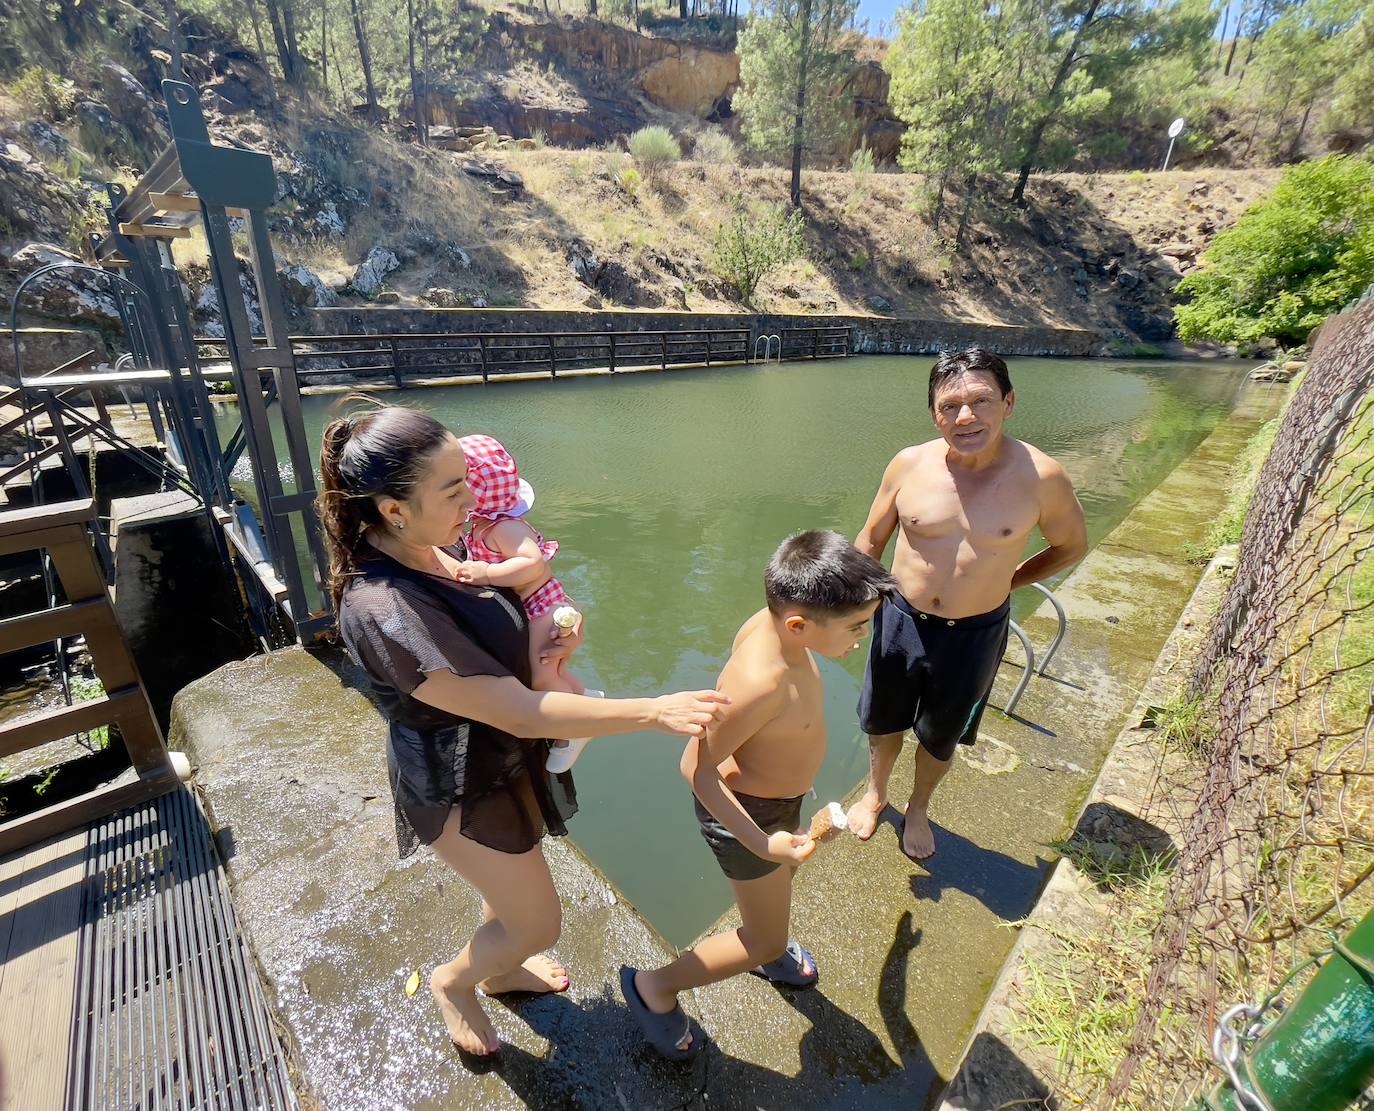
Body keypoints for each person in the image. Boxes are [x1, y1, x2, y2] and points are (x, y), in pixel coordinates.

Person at [318, 403, 729, 1062]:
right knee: (540, 920)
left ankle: (503, 967)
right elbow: (517, 709)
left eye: (470, 482)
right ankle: (453, 984)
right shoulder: (384, 610)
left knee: (513, 897)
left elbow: (520, 610)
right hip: (457, 783)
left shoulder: (442, 542)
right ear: (393, 508)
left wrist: (560, 624)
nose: (474, 501)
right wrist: (653, 710)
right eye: (455, 490)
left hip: (502, 758)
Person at [621, 530, 897, 1059]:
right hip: (745, 815)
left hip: (778, 804)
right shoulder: (763, 681)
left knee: (781, 879)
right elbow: (695, 769)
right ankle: (654, 988)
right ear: (799, 624)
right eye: (857, 627)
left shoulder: (773, 625)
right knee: (767, 933)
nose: (862, 637)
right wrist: (762, 842)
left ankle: (766, 945)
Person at [849, 348, 1087, 860]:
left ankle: (918, 807)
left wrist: (1013, 579)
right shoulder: (909, 464)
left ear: (1009, 402)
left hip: (976, 632)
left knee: (942, 734)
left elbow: (1070, 546)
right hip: (900, 618)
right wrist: (853, 610)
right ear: (933, 412)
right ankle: (876, 793)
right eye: (949, 405)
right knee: (883, 719)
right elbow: (869, 539)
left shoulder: (1041, 477)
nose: (966, 417)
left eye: (981, 401)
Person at [452, 433, 596, 773]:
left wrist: (487, 571)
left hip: (541, 607)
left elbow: (533, 564)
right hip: (536, 606)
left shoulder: (505, 528)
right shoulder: (486, 526)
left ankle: (574, 729)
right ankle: (586, 702)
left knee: (542, 674)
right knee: (554, 671)